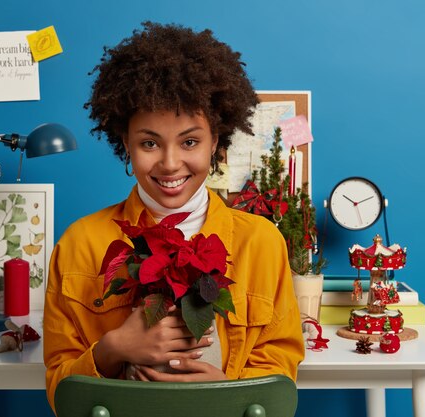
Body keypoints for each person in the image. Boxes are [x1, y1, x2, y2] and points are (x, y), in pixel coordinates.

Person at [43, 21, 305, 412]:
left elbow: (279, 366)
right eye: (149, 142)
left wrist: (225, 392)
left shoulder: (261, 242)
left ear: (216, 142)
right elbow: (59, 387)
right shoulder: (79, 243)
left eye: (190, 141)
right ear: (125, 145)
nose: (169, 163)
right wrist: (113, 348)